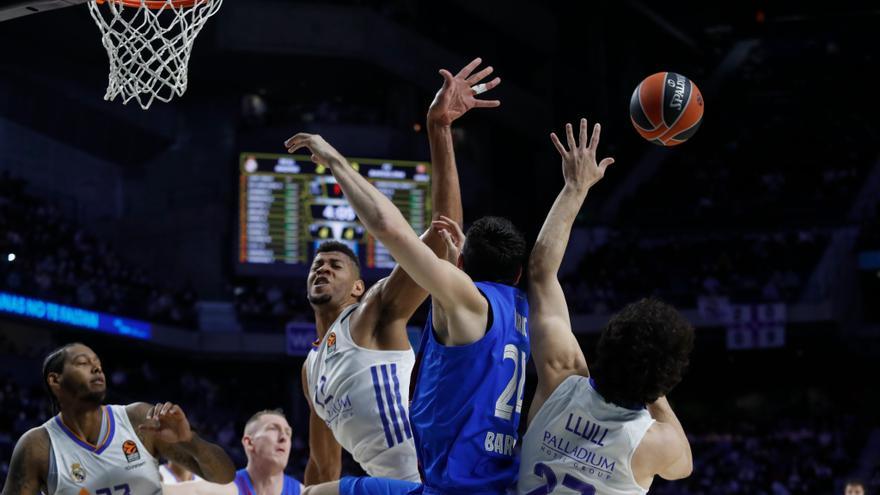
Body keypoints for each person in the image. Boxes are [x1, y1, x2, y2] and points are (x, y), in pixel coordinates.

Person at [286, 100, 529, 495]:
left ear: (358, 287)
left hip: (428, 473)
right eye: (317, 264)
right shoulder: (310, 368)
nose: (322, 268)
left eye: (335, 264)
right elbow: (323, 462)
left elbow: (440, 234)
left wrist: (440, 132)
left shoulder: (372, 314)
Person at [517, 118, 694, 494]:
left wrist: (575, 188)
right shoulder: (658, 445)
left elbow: (540, 272)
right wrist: (651, 385)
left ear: (607, 341)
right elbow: (684, 467)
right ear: (666, 379)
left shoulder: (560, 376)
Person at [0, 342, 235, 495]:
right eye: (83, 363)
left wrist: (189, 439)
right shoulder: (38, 446)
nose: (96, 369)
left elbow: (224, 476)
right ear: (55, 380)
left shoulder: (138, 420)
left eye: (98, 365)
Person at [163, 409, 303, 495]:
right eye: (273, 428)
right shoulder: (226, 488)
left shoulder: (303, 492)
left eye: (288, 433)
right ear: (249, 442)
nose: (284, 437)